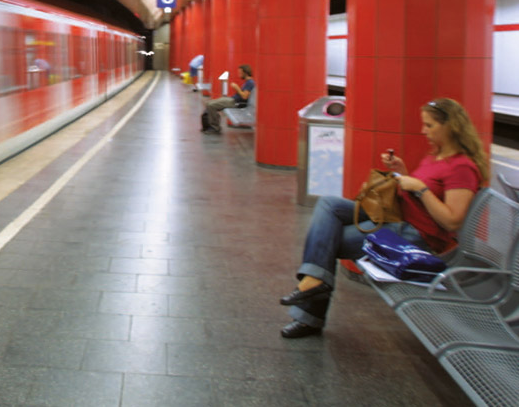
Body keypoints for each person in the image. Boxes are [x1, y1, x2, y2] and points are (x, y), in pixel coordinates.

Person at [279, 97, 488, 338]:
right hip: (396, 217)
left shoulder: (462, 168)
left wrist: (421, 188)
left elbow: (452, 221)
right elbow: (423, 197)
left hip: (416, 237)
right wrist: (402, 172)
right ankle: (314, 283)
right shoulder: (436, 156)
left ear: (451, 126)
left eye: (430, 126)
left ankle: (311, 306)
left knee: (326, 242)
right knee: (328, 204)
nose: (424, 131)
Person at [201, 64, 254, 132]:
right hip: (233, 99)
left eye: (240, 73)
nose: (239, 75)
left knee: (211, 105)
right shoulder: (248, 82)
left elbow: (244, 96)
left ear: (245, 73)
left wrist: (237, 88)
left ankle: (215, 127)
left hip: (236, 102)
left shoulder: (250, 83)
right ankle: (211, 123)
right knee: (209, 103)